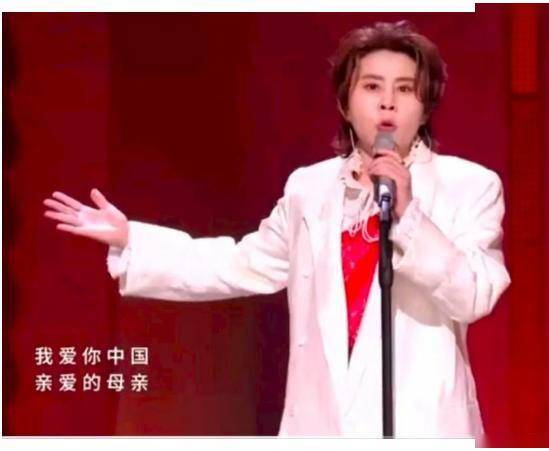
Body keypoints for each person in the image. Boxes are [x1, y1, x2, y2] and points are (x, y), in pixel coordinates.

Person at [43, 20, 510, 443]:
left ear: (425, 108)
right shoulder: (310, 189)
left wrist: (409, 214)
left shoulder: (469, 186)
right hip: (322, 426)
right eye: (372, 86)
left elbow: (475, 294)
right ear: (345, 104)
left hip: (423, 426)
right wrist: (133, 240)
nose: (387, 101)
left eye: (405, 89)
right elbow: (240, 263)